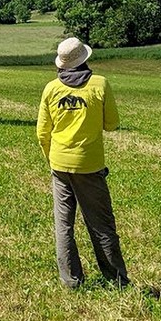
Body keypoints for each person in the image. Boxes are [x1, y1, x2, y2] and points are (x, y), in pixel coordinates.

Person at [36, 36, 129, 290]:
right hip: (89, 165)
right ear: (84, 59)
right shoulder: (100, 84)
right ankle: (117, 280)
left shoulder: (51, 89)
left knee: (63, 226)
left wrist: (52, 160)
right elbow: (111, 124)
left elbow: (42, 133)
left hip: (59, 164)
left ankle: (71, 281)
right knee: (101, 224)